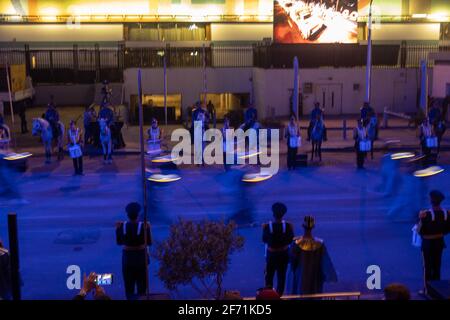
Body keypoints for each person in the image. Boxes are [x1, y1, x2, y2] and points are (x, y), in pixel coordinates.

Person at [288, 216, 337, 295]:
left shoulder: (296, 243)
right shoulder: (320, 243)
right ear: (313, 227)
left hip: (301, 274)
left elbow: (292, 261)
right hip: (315, 275)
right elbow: (325, 262)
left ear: (303, 226)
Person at [116, 202, 152, 300]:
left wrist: (117, 229)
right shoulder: (144, 225)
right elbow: (149, 242)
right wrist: (148, 229)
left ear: (127, 215)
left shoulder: (122, 226)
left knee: (129, 287)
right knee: (142, 287)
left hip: (127, 260)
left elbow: (119, 242)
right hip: (141, 259)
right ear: (138, 214)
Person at [418, 190, 450, 294]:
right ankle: (437, 290)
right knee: (437, 266)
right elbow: (447, 229)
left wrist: (420, 219)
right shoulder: (446, 213)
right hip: (439, 242)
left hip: (427, 243)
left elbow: (419, 230)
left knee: (427, 267)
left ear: (431, 200)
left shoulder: (425, 214)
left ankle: (427, 290)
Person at [262, 202, 294, 296]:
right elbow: (290, 240)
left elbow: (264, 240)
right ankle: (279, 296)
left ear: (273, 213)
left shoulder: (267, 226)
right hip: (283, 255)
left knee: (269, 277)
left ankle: (269, 296)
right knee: (281, 276)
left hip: (271, 255)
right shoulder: (288, 226)